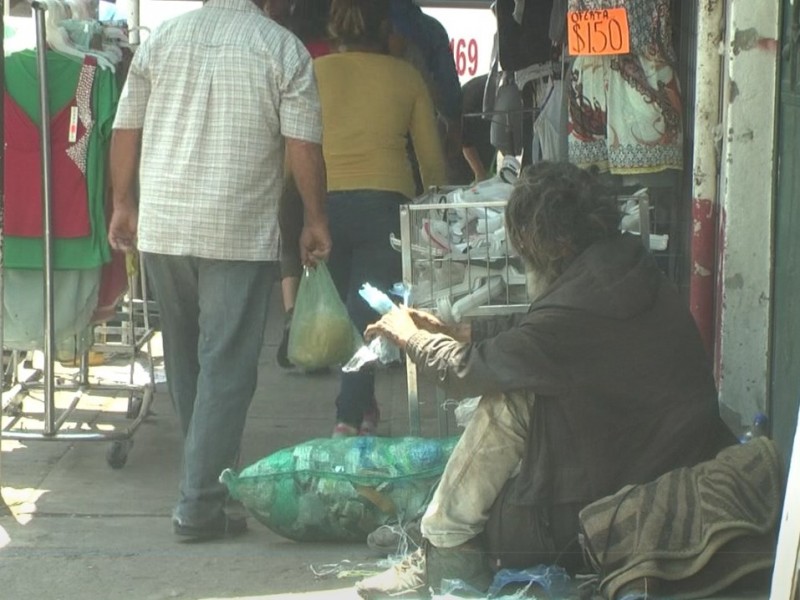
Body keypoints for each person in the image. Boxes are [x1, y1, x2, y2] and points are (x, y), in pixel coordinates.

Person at [355, 161, 737, 597]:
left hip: (611, 510)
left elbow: (463, 371)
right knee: (509, 425)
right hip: (657, 467)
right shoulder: (627, 268)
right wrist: (461, 331)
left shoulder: (574, 312)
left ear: (543, 244)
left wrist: (408, 336)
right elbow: (540, 333)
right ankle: (438, 534)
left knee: (508, 402)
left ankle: (444, 548)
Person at [108, 0, 331, 541]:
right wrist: (314, 219)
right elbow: (304, 145)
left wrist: (122, 202)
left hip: (164, 225)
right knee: (227, 369)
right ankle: (199, 503)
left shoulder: (163, 38)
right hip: (235, 229)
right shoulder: (282, 48)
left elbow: (126, 127)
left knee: (186, 364)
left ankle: (209, 484)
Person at [314, 0, 447, 437]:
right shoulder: (406, 77)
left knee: (348, 316)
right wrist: (437, 206)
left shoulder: (315, 73)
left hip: (324, 204)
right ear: (386, 30)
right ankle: (347, 420)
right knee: (365, 320)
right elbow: (431, 162)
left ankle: (359, 410)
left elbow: (295, 146)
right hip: (385, 207)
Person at [272, 0, 334, 369]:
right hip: (327, 160)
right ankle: (323, 323)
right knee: (319, 241)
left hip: (288, 161)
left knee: (288, 237)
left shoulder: (287, 50)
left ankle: (293, 312)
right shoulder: (333, 56)